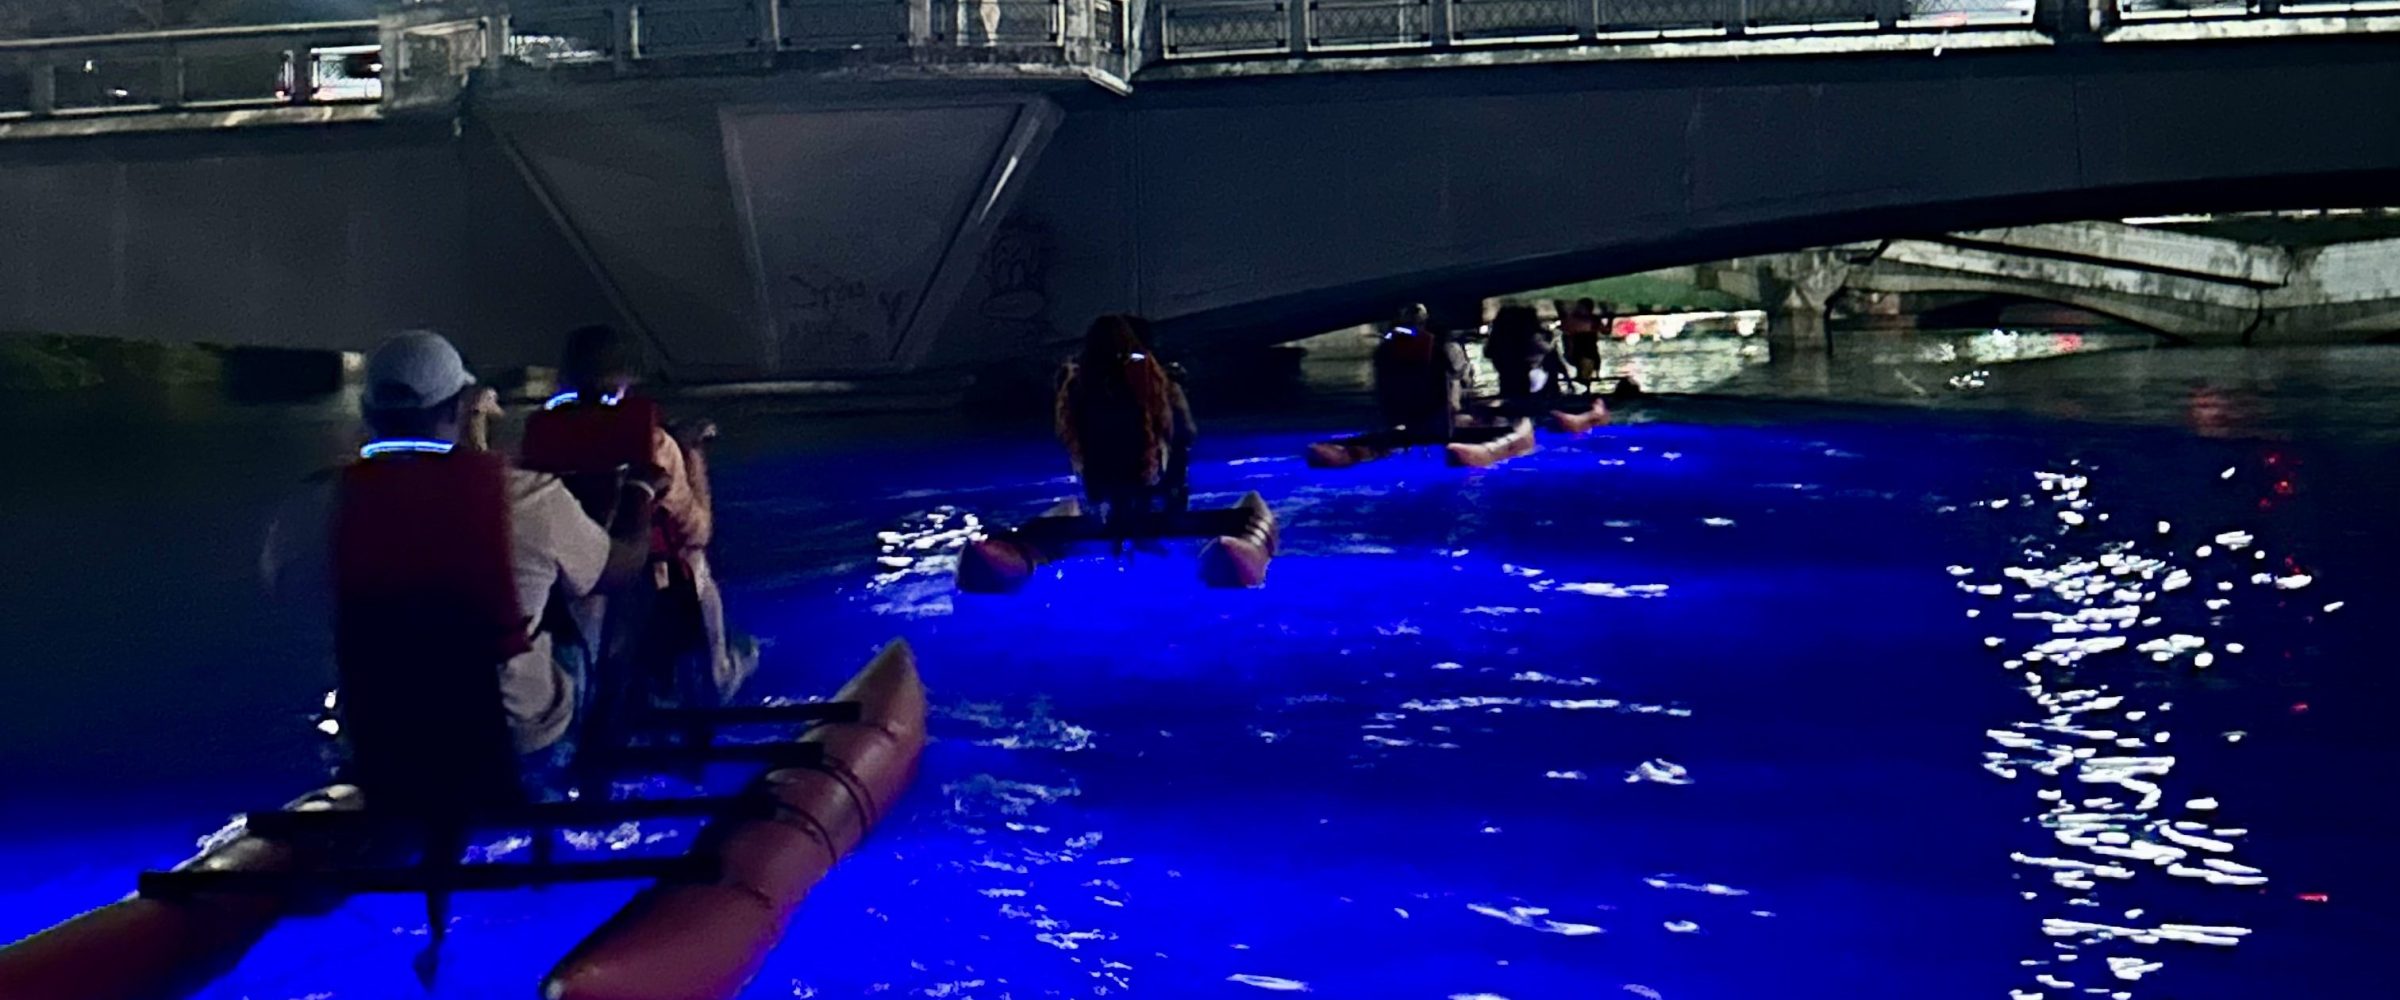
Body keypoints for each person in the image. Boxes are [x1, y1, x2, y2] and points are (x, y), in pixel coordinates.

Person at [262, 331, 656, 806]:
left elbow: (289, 589)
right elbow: (621, 567)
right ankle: (597, 770)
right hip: (517, 748)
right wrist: (640, 491)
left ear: (367, 414)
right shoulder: (528, 499)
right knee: (602, 598)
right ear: (457, 409)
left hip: (383, 743)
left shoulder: (309, 511)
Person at [519, 325, 750, 725]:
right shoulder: (656, 444)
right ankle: (720, 673)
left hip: (564, 584)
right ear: (630, 379)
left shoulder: (538, 436)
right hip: (635, 578)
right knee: (694, 555)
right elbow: (695, 529)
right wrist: (692, 454)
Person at [1056, 315, 1196, 531]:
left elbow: (1067, 433)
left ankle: (1114, 510)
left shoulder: (1078, 382)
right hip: (1143, 473)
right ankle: (1172, 505)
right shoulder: (1145, 371)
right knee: (1179, 441)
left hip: (1099, 477)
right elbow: (1184, 431)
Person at [1373, 303, 1451, 440]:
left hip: (1398, 406)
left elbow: (1382, 381)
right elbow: (1444, 376)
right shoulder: (1432, 346)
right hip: (1429, 406)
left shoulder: (1386, 348)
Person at [1484, 304, 1564, 416]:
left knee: (1515, 406)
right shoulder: (1529, 337)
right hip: (1527, 379)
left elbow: (1489, 353)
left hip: (1509, 380)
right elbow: (1548, 351)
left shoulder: (1500, 339)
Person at [1561, 298, 1604, 391]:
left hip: (1580, 334)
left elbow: (1567, 342)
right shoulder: (1593, 364)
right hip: (1584, 334)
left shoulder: (1573, 360)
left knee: (1577, 324)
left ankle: (1564, 310)